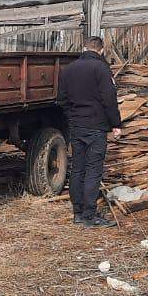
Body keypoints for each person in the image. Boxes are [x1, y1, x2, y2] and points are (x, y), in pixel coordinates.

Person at [56, 36, 123, 227]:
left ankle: (77, 213)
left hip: (76, 126)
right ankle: (90, 215)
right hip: (96, 126)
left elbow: (62, 99)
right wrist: (116, 124)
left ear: (83, 47)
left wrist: (72, 118)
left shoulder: (69, 69)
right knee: (93, 171)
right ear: (101, 50)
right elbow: (109, 99)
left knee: (77, 169)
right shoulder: (101, 68)